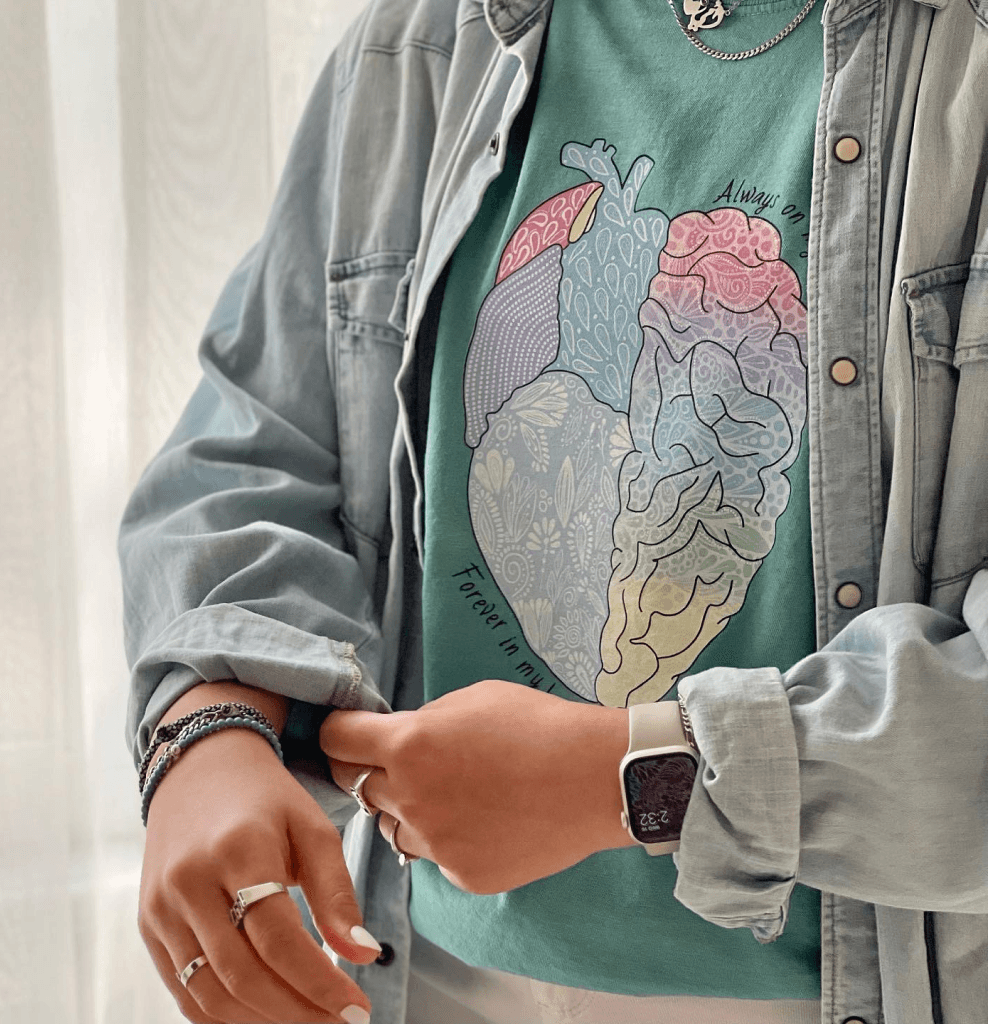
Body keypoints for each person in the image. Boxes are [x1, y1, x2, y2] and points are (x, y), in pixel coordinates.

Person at [120, 0, 988, 1020]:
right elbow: (263, 434)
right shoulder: (426, 44)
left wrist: (622, 777)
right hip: (430, 978)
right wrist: (208, 726)